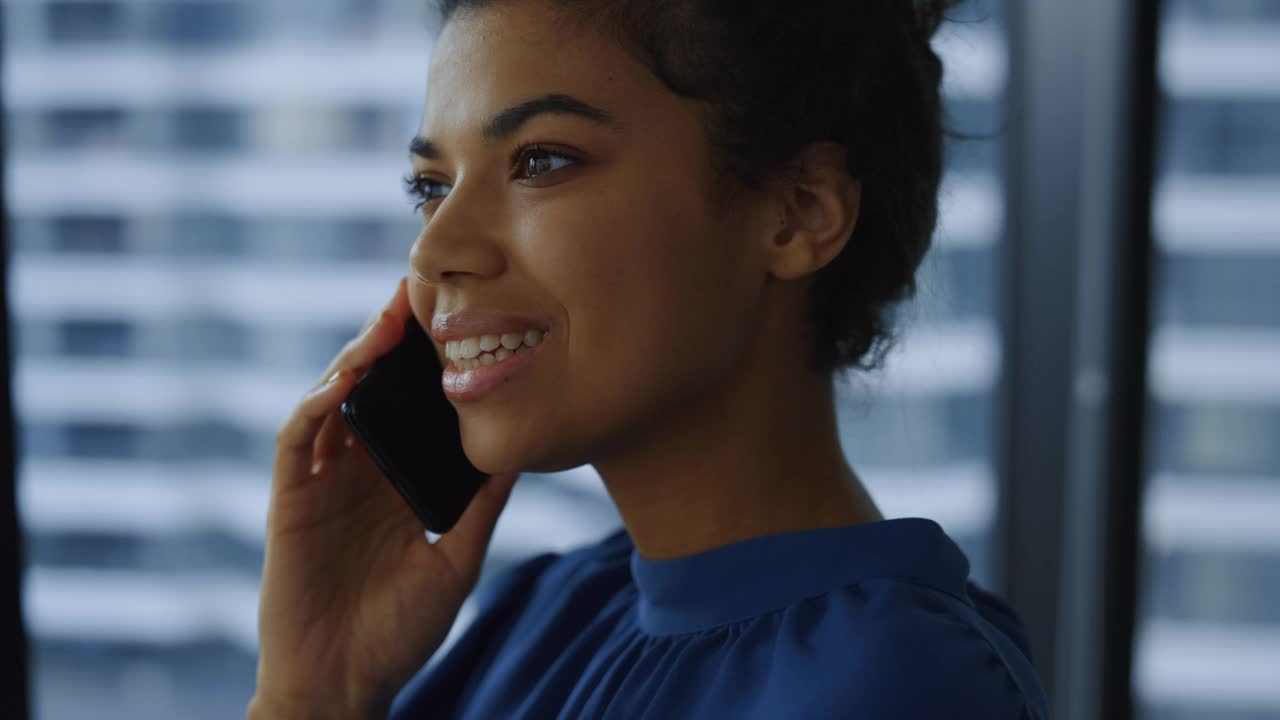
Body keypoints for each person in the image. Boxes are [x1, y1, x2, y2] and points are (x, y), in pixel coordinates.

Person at [248, 0, 1050, 717]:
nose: (433, 254)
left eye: (540, 161)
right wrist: (313, 694)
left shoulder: (904, 686)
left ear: (799, 212)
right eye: (431, 186)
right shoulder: (541, 617)